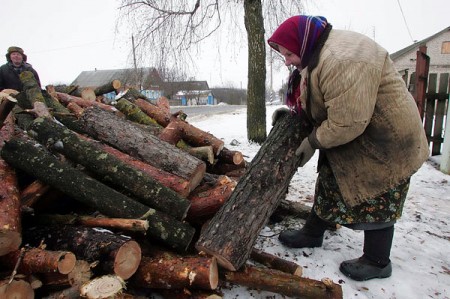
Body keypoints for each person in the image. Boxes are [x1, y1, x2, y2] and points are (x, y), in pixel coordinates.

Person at [268, 15, 429, 281]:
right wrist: (294, 114)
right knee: (330, 179)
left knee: (377, 194)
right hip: (359, 130)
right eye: (283, 55)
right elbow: (321, 97)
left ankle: (377, 261)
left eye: (288, 53)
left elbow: (347, 122)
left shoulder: (342, 60)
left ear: (302, 42)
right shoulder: (315, 52)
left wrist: (312, 141)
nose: (287, 61)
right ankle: (312, 232)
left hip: (386, 140)